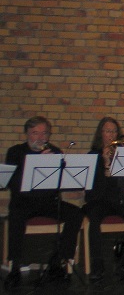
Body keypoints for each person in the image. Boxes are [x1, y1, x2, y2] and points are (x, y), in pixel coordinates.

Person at [4, 116, 84, 288]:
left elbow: (60, 184)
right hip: (23, 202)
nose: (40, 138)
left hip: (48, 202)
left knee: (75, 214)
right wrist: (36, 163)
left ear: (48, 135)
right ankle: (15, 267)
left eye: (44, 133)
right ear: (27, 134)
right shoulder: (15, 152)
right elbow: (13, 184)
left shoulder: (54, 152)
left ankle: (59, 261)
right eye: (35, 133)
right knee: (15, 217)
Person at [83, 117, 124, 281]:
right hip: (99, 200)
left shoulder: (122, 154)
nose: (111, 134)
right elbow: (93, 187)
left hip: (119, 200)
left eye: (114, 131)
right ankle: (97, 264)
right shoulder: (93, 156)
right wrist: (105, 162)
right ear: (100, 134)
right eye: (108, 131)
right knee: (94, 221)